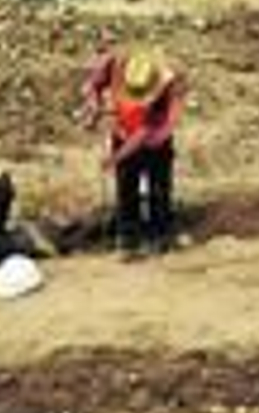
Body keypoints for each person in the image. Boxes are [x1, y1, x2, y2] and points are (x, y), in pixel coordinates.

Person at [80, 41, 187, 259]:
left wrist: (114, 159)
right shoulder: (117, 63)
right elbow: (92, 85)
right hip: (124, 130)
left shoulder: (169, 85)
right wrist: (94, 107)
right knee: (126, 183)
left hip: (155, 137)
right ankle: (128, 239)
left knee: (158, 186)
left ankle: (160, 236)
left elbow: (144, 134)